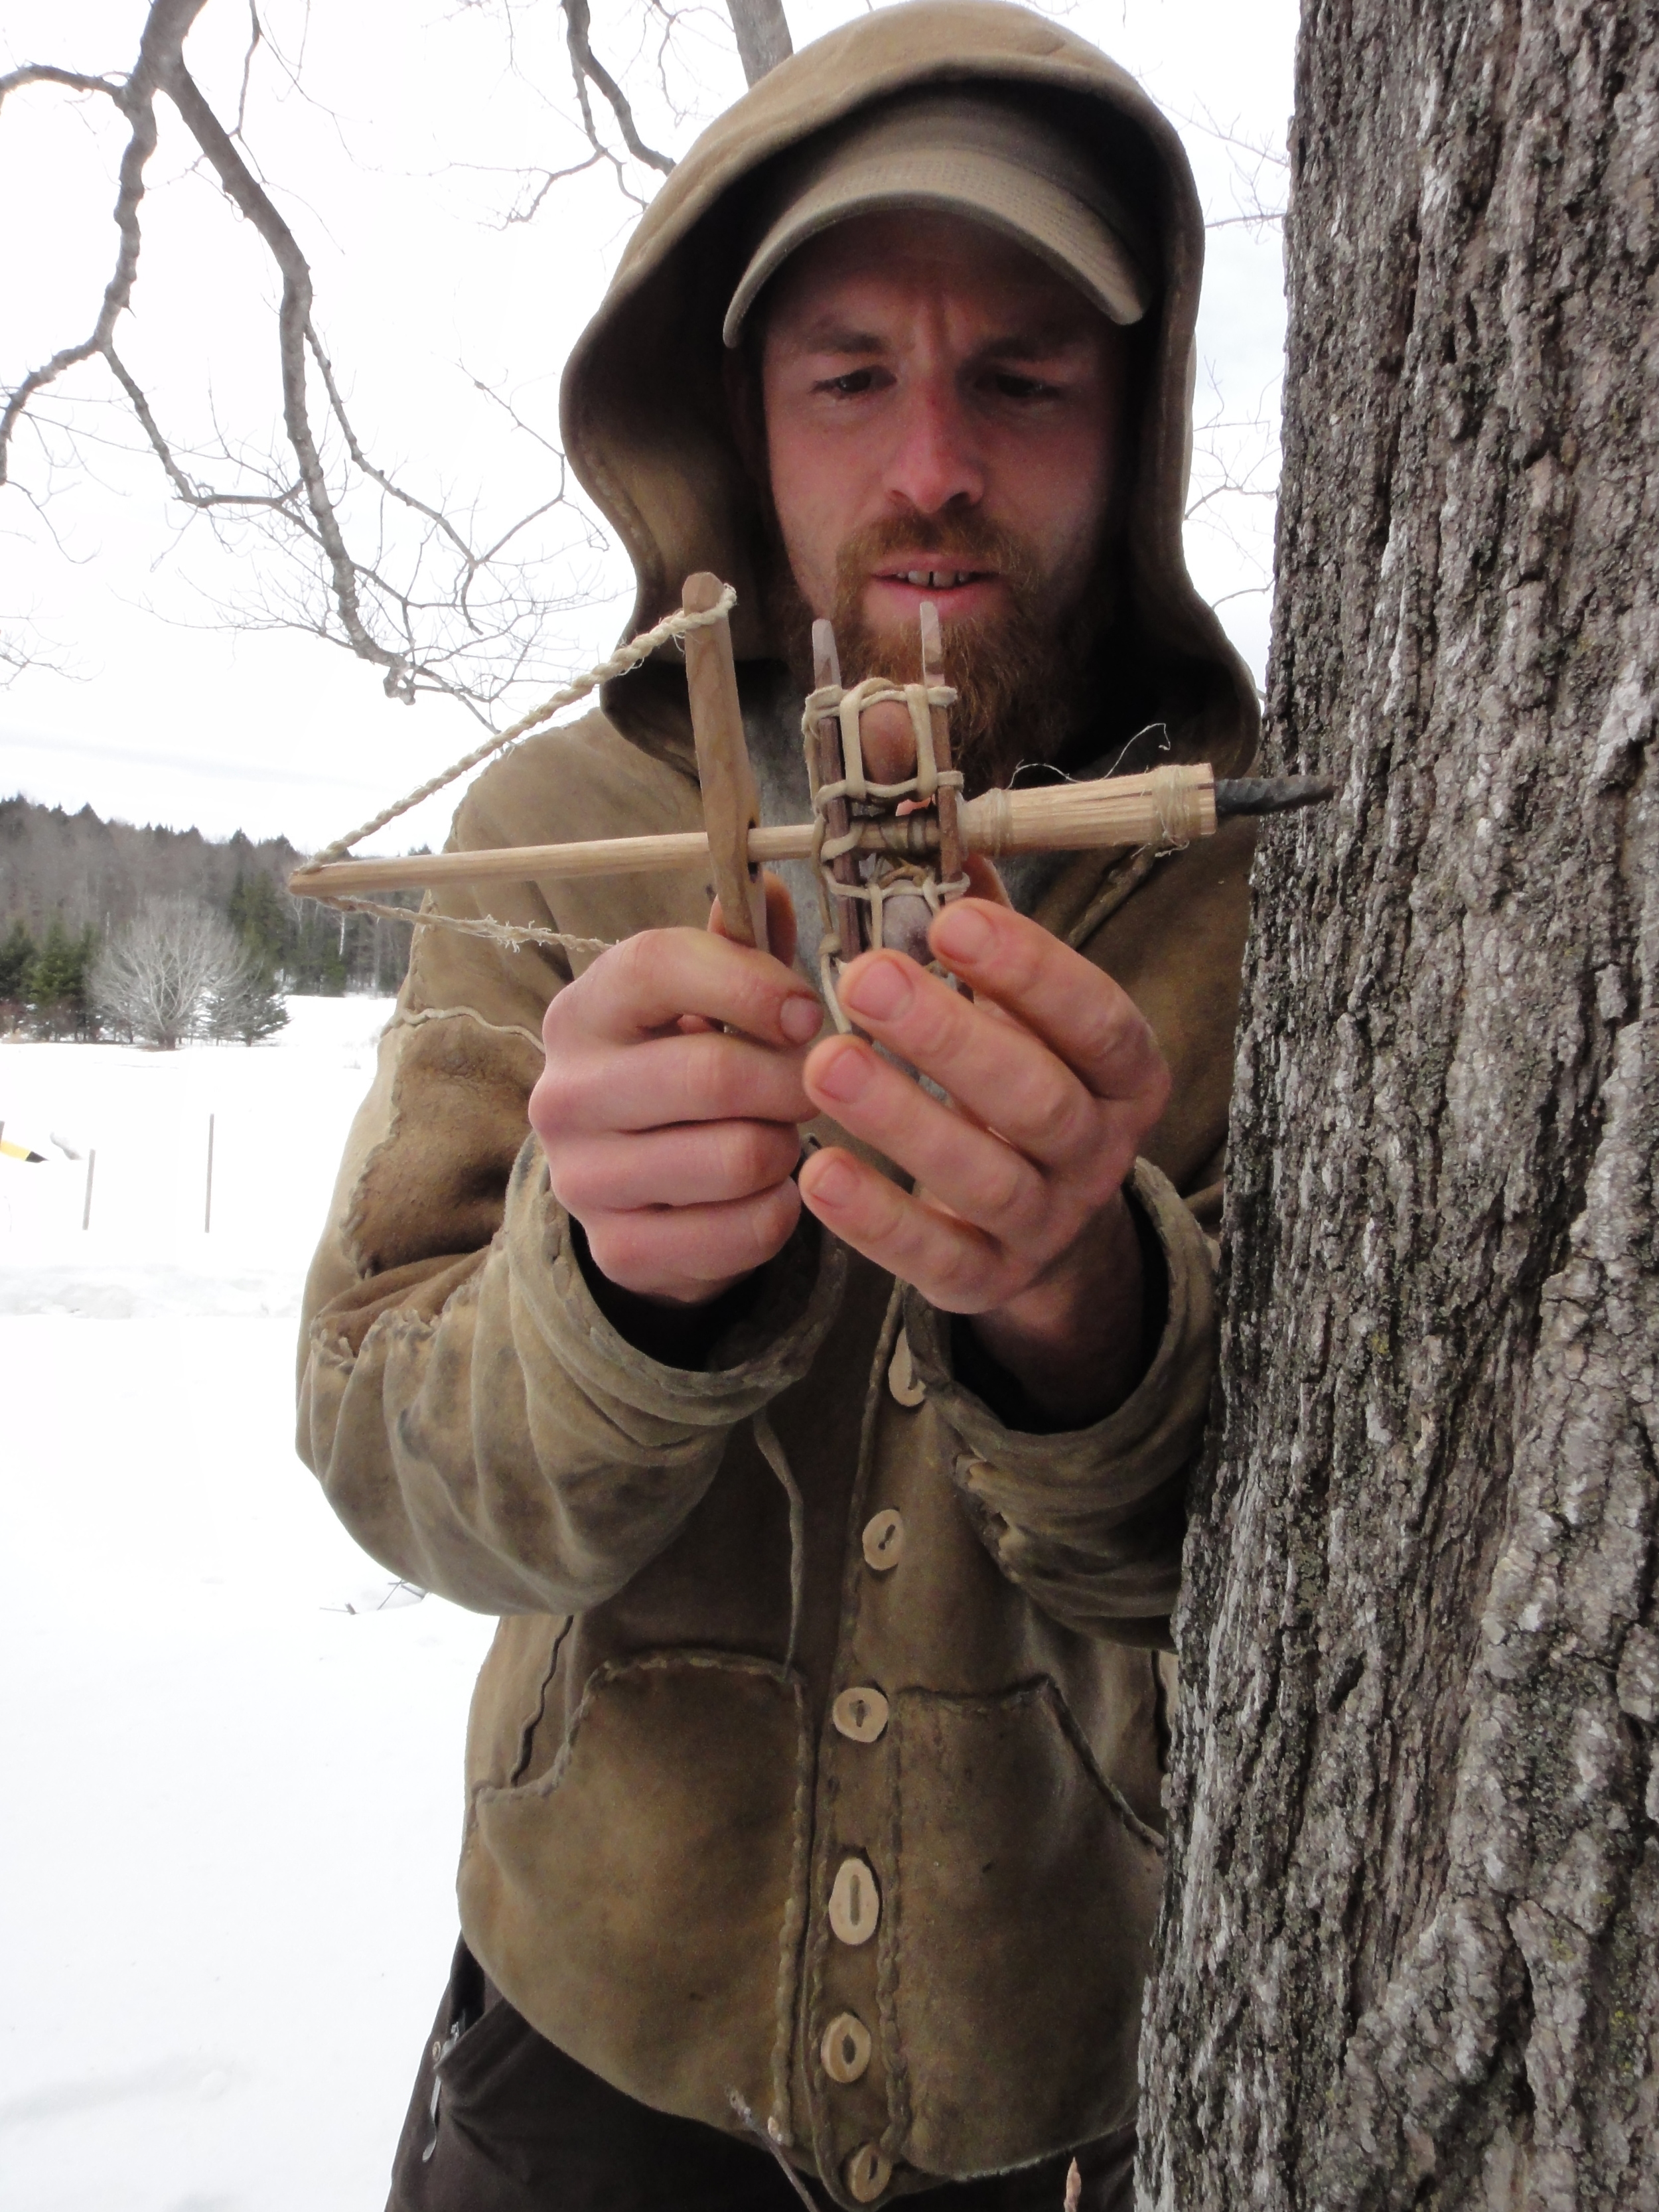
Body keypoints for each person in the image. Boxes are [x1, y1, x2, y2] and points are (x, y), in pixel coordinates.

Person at [297, 5, 1261, 2207]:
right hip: (586, 2053)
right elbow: (390, 1452)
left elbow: (1288, 1576)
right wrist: (612, 1304)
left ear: (1136, 418)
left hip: (1069, 2083)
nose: (929, 458)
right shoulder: (566, 821)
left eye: (1020, 375)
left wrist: (1084, 1316)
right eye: (850, 375)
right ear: (738, 415)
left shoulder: (1253, 880)